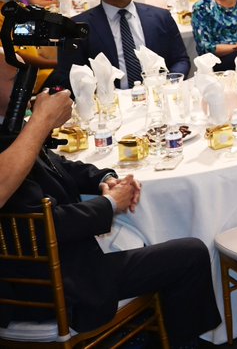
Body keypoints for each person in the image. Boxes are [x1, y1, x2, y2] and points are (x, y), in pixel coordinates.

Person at [0, 141, 221, 345]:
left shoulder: (14, 134)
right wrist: (110, 204)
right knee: (190, 254)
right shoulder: (9, 153)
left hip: (64, 266)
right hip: (51, 287)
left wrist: (106, 179)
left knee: (142, 239)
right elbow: (44, 228)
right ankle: (183, 344)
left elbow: (58, 167)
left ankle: (157, 332)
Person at [52, 0, 190, 89]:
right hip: (108, 105)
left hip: (157, 95)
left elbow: (180, 60)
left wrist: (168, 83)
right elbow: (69, 75)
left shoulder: (161, 17)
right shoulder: (77, 26)